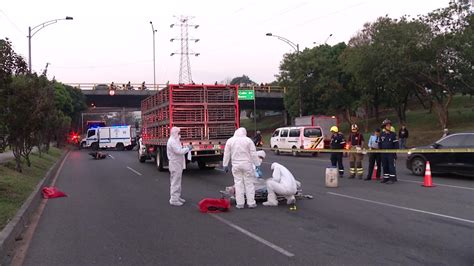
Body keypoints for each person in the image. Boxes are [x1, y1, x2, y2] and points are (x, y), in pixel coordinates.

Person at [223, 127, 260, 209]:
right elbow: (253, 153)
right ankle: (251, 203)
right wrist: (257, 164)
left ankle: (240, 203)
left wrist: (225, 164)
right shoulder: (248, 140)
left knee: (238, 184)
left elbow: (226, 153)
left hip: (236, 165)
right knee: (249, 184)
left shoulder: (230, 140)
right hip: (247, 165)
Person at [167, 127, 193, 206]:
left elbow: (179, 149)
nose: (179, 134)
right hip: (175, 164)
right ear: (174, 133)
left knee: (177, 181)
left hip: (177, 163)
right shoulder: (172, 141)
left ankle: (177, 197)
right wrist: (187, 149)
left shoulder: (175, 140)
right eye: (178, 133)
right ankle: (174, 199)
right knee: (175, 182)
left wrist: (186, 148)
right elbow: (178, 151)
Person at [379, 119, 399, 184]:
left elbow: (396, 145)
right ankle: (386, 178)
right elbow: (380, 143)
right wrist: (380, 151)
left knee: (391, 166)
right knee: (384, 165)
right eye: (387, 125)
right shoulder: (382, 134)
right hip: (383, 153)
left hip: (391, 153)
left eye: (389, 125)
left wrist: (394, 152)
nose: (389, 126)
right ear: (384, 127)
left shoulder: (393, 134)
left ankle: (392, 178)